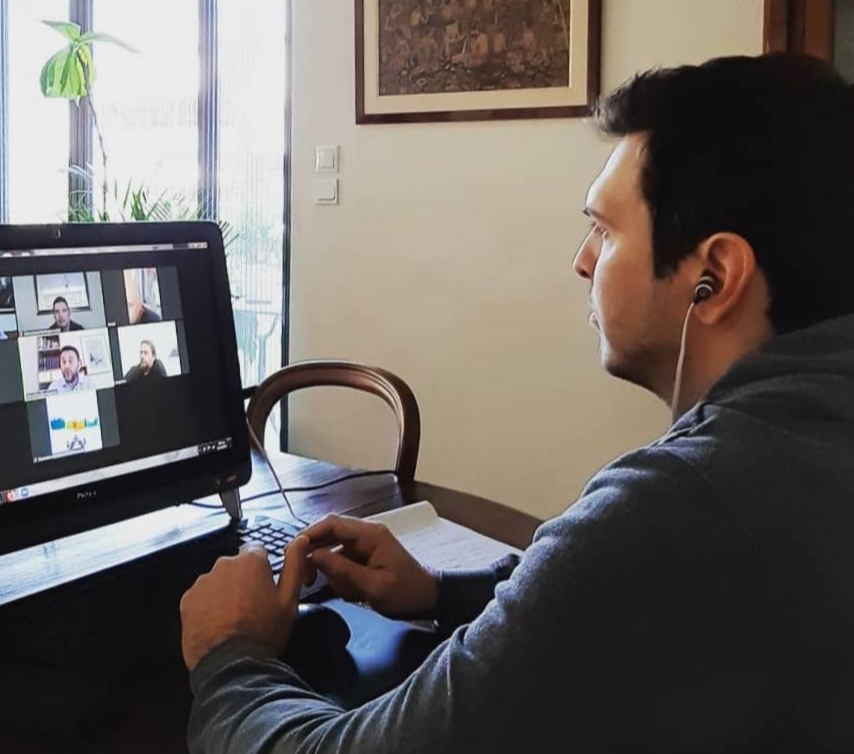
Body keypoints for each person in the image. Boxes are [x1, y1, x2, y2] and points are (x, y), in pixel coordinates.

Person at [180, 55, 854, 751]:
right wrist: (441, 592)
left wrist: (231, 654)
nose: (583, 260)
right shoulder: (804, 448)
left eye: (606, 230)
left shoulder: (678, 507)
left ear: (714, 275)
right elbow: (626, 610)